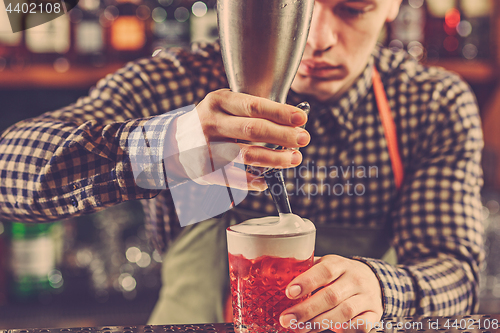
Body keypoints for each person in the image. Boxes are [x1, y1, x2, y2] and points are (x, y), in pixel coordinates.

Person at [0, 0, 484, 331]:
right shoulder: (181, 81)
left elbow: (456, 274)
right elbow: (11, 172)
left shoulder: (429, 103)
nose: (319, 39)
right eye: (295, 8)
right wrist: (171, 144)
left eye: (354, 9)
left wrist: (380, 288)